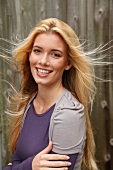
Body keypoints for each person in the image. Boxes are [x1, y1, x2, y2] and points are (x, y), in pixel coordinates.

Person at [2, 18, 98, 170]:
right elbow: (16, 160)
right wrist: (30, 166)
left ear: (68, 63)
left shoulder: (68, 113)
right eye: (37, 51)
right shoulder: (29, 103)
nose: (43, 61)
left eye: (55, 55)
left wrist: (21, 167)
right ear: (29, 55)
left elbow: (13, 166)